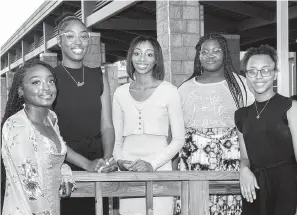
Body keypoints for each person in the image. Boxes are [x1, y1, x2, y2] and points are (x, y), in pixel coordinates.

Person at [175, 32, 254, 215]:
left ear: (225, 54)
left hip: (231, 162)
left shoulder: (241, 84)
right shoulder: (185, 88)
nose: (210, 55)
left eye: (216, 51)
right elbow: (176, 131)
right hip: (193, 162)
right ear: (199, 56)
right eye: (205, 51)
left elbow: (251, 127)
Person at [112, 36, 185, 215]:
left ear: (156, 59)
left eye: (149, 54)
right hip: (129, 174)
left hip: (160, 169)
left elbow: (178, 140)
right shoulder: (120, 93)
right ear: (130, 58)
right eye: (137, 53)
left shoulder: (170, 91)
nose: (142, 59)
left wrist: (152, 164)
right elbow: (117, 140)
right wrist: (120, 161)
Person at [53, 13, 116, 215]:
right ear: (59, 40)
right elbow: (49, 135)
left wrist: (105, 160)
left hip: (97, 163)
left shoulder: (99, 76)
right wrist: (86, 164)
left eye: (83, 36)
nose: (78, 42)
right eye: (70, 36)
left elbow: (106, 125)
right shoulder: (50, 78)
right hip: (64, 166)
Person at [1, 60, 75, 215]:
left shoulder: (51, 118)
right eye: (36, 82)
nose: (46, 87)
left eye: (50, 81)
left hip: (52, 208)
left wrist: (64, 175)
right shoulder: (16, 125)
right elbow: (30, 183)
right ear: (20, 90)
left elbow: (48, 160)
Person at [235, 45, 297, 215]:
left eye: (265, 70)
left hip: (287, 189)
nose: (259, 76)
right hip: (254, 189)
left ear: (275, 74)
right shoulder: (241, 115)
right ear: (246, 76)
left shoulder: (291, 107)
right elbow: (245, 157)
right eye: (252, 71)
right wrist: (244, 170)